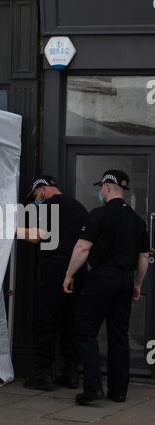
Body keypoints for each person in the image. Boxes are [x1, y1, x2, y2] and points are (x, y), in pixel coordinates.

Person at [63, 169, 150, 405]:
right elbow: (143, 257)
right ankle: (118, 391)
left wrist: (69, 274)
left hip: (102, 277)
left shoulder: (98, 215)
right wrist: (137, 284)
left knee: (85, 330)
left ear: (109, 187)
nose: (100, 191)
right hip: (124, 279)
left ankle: (93, 389)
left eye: (101, 187)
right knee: (119, 335)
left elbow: (82, 248)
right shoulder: (137, 220)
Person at [17, 175, 88, 390]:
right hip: (78, 268)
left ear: (44, 189)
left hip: (55, 267)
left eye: (36, 195)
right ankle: (71, 372)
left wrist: (12, 229)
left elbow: (37, 236)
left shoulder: (47, 206)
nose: (35, 200)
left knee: (46, 320)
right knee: (71, 321)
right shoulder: (79, 207)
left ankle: (43, 375)